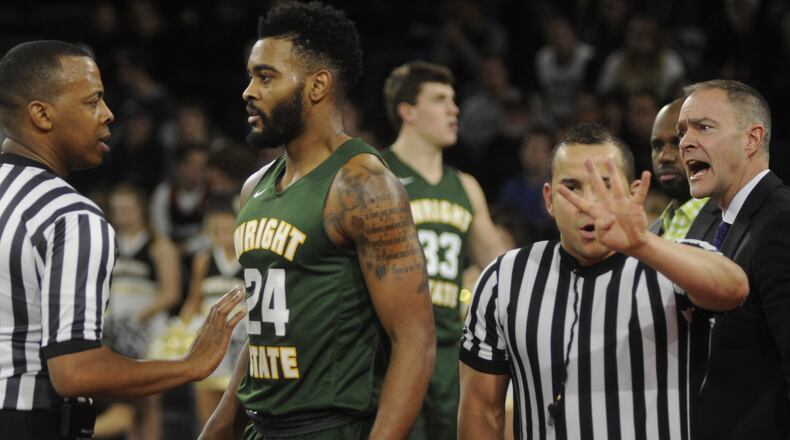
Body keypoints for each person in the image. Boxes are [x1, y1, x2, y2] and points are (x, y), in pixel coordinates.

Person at [199, 3, 435, 440]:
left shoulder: (363, 185)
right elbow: (268, 330)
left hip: (330, 426)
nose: (248, 91)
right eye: (250, 76)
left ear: (317, 85)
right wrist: (219, 426)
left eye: (265, 77)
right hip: (259, 425)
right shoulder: (254, 188)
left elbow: (415, 341)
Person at [0, 40, 244, 439]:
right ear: (42, 114)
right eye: (93, 101)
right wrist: (189, 365)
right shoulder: (70, 215)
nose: (108, 114)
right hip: (25, 419)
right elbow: (75, 371)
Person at [458, 123, 748, 440]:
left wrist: (643, 244)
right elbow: (480, 409)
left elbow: (734, 288)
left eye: (605, 187)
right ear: (549, 199)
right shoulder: (504, 278)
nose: (590, 203)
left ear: (633, 194)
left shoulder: (674, 265)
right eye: (572, 188)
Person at [380, 60, 508, 439]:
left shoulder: (465, 186)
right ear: (408, 111)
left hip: (450, 348)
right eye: (439, 100)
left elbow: (500, 268)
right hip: (389, 348)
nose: (454, 109)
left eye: (453, 100)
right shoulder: (375, 174)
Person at [681, 79, 790, 439]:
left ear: (752, 139)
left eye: (703, 127)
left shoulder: (781, 220)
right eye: (683, 131)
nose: (685, 142)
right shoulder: (711, 221)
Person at [104, 183, 182, 440]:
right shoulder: (108, 242)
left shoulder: (159, 245)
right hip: (115, 330)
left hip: (148, 330)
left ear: (142, 209)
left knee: (149, 398)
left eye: (128, 209)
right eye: (118, 209)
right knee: (123, 398)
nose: (122, 215)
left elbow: (171, 293)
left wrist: (137, 318)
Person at [179, 196, 247, 428]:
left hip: (241, 343)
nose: (222, 235)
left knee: (240, 421)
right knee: (209, 421)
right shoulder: (203, 259)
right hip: (212, 339)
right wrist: (178, 333)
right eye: (216, 230)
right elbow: (193, 300)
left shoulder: (250, 258)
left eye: (228, 229)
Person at [647, 98, 709, 240]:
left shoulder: (730, 224)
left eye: (677, 142)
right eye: (657, 146)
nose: (664, 157)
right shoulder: (650, 233)